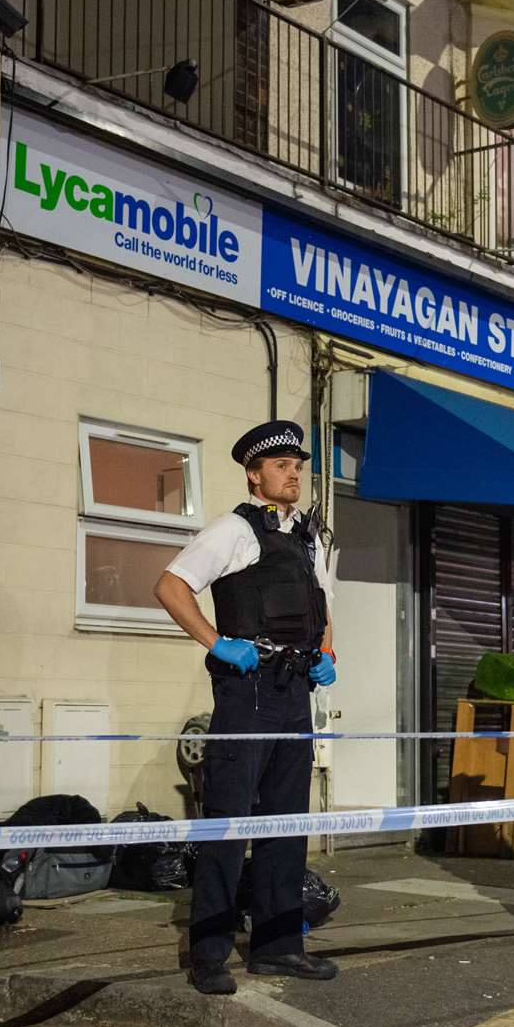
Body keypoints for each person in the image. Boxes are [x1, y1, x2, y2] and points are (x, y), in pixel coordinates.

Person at [153, 419, 340, 995]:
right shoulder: (234, 530)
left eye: (298, 465)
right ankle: (208, 954)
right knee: (229, 826)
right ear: (254, 474)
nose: (294, 473)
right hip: (249, 691)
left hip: (294, 693)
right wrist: (217, 642)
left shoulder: (307, 538)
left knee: (286, 826)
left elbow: (322, 605)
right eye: (281, 465)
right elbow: (170, 586)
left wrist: (327, 652)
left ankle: (279, 948)